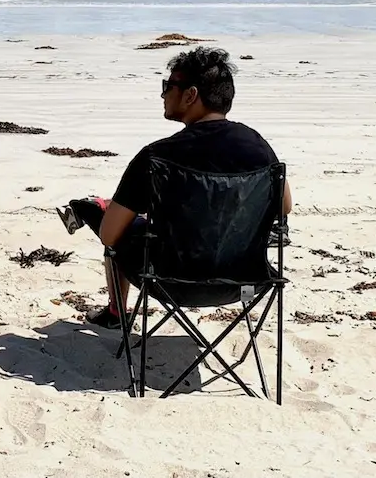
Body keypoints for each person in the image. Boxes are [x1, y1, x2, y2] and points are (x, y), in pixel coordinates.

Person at [71, 46, 293, 330]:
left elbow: (109, 235)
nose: (163, 94)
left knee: (116, 226)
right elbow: (283, 206)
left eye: (169, 85)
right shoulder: (258, 147)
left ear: (191, 95)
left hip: (169, 282)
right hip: (245, 281)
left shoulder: (156, 157)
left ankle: (117, 314)